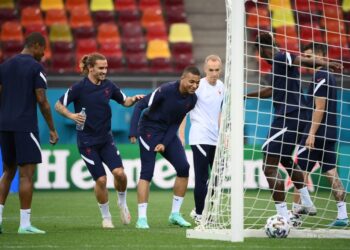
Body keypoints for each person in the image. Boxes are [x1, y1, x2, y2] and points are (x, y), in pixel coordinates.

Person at [246, 32, 342, 222]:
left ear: (263, 49)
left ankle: (283, 216)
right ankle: (306, 202)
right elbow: (270, 91)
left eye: (259, 52)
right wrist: (246, 95)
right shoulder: (277, 67)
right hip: (296, 116)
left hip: (290, 116)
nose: (260, 56)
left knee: (268, 166)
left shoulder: (280, 56)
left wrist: (328, 64)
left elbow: (302, 61)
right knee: (285, 159)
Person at [55, 53, 143, 229]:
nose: (104, 71)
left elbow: (124, 101)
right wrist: (72, 115)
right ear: (91, 68)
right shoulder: (79, 87)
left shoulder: (109, 86)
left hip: (105, 139)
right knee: (101, 180)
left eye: (106, 68)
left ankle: (122, 203)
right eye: (101, 68)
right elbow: (58, 105)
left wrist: (133, 100)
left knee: (120, 174)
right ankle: (106, 217)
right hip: (86, 142)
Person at [0, 32, 59, 234]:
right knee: (26, 175)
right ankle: (24, 225)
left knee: (8, 172)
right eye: (43, 49)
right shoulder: (36, 67)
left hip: (4, 125)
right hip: (24, 126)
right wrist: (52, 128)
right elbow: (42, 99)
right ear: (35, 45)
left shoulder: (4, 66)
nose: (44, 54)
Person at [129, 66, 201, 229]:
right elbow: (140, 105)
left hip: (166, 133)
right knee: (147, 172)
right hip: (148, 130)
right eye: (191, 82)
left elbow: (176, 122)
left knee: (184, 168)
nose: (194, 86)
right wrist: (133, 131)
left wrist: (165, 142)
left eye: (197, 83)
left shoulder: (192, 100)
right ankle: (141, 219)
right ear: (182, 78)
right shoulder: (165, 90)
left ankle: (175, 214)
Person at [293, 43, 348, 227]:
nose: (306, 60)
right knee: (332, 173)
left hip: (317, 134)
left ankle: (295, 215)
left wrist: (311, 133)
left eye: (308, 56)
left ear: (320, 55)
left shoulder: (320, 76)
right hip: (330, 133)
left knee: (299, 173)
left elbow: (320, 107)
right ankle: (342, 215)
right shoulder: (329, 76)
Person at [178, 55, 224, 224]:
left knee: (218, 176)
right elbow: (184, 110)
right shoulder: (198, 87)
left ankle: (208, 210)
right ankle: (199, 214)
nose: (214, 73)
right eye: (211, 70)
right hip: (200, 137)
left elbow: (219, 112)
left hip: (215, 138)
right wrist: (181, 134)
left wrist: (223, 135)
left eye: (217, 70)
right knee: (202, 177)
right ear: (205, 70)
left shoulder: (221, 86)